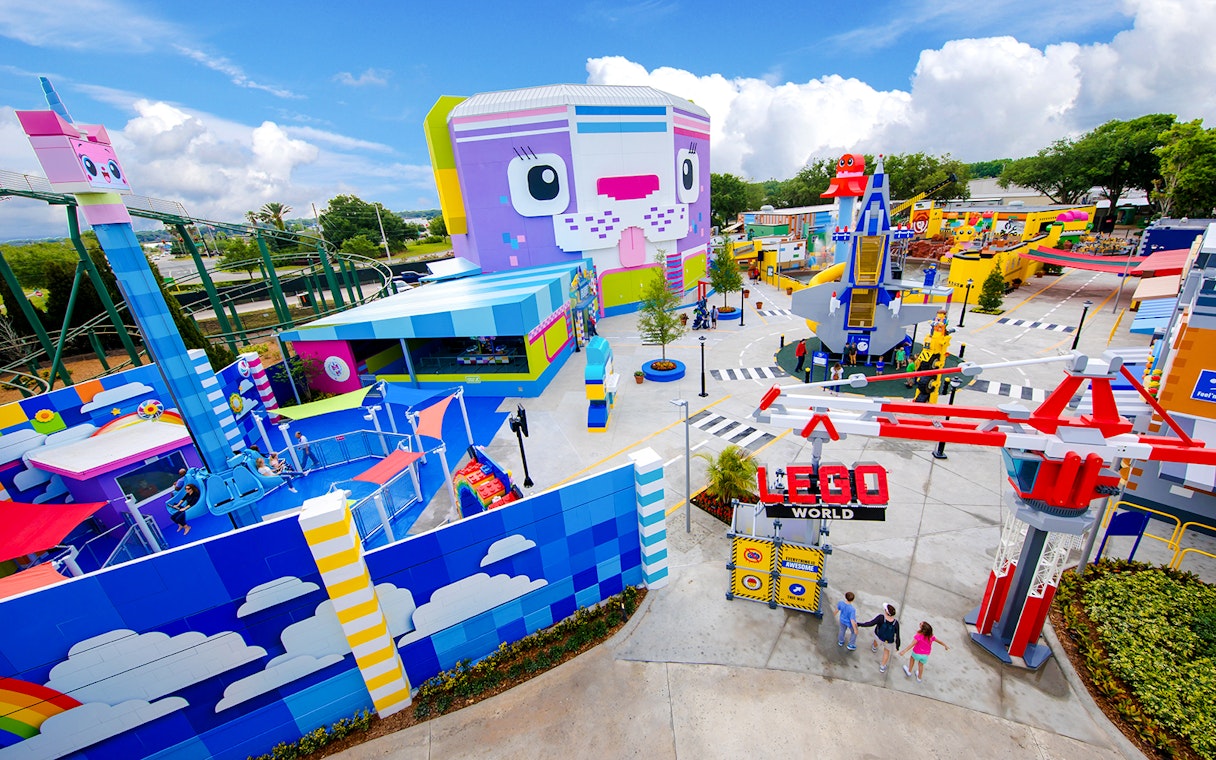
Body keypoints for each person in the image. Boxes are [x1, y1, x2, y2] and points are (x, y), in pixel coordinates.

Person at [857, 603, 901, 672]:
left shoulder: (880, 617)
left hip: (878, 636)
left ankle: (874, 647)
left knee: (876, 640)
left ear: (886, 612)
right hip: (888, 641)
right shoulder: (896, 623)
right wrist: (897, 646)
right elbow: (897, 635)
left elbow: (870, 623)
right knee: (886, 652)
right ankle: (882, 667)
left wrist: (859, 624)